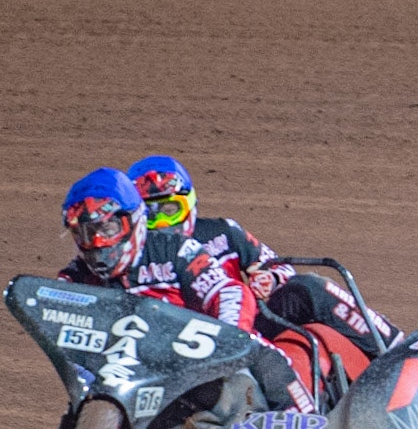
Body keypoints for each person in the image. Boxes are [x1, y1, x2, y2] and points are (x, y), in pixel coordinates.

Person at [57, 167, 305, 412]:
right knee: (76, 409)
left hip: (195, 351)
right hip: (122, 367)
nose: (97, 242)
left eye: (107, 229)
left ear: (132, 220)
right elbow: (52, 316)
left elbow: (229, 291)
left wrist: (229, 337)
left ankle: (307, 427)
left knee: (266, 356)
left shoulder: (178, 249)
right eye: (85, 234)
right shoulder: (75, 276)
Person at [127, 155, 402, 358]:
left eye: (170, 210)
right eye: (150, 215)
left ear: (190, 205)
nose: (161, 223)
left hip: (243, 333)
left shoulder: (223, 233)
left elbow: (277, 266)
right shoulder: (124, 259)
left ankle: (394, 346)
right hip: (169, 350)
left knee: (308, 288)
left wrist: (269, 277)